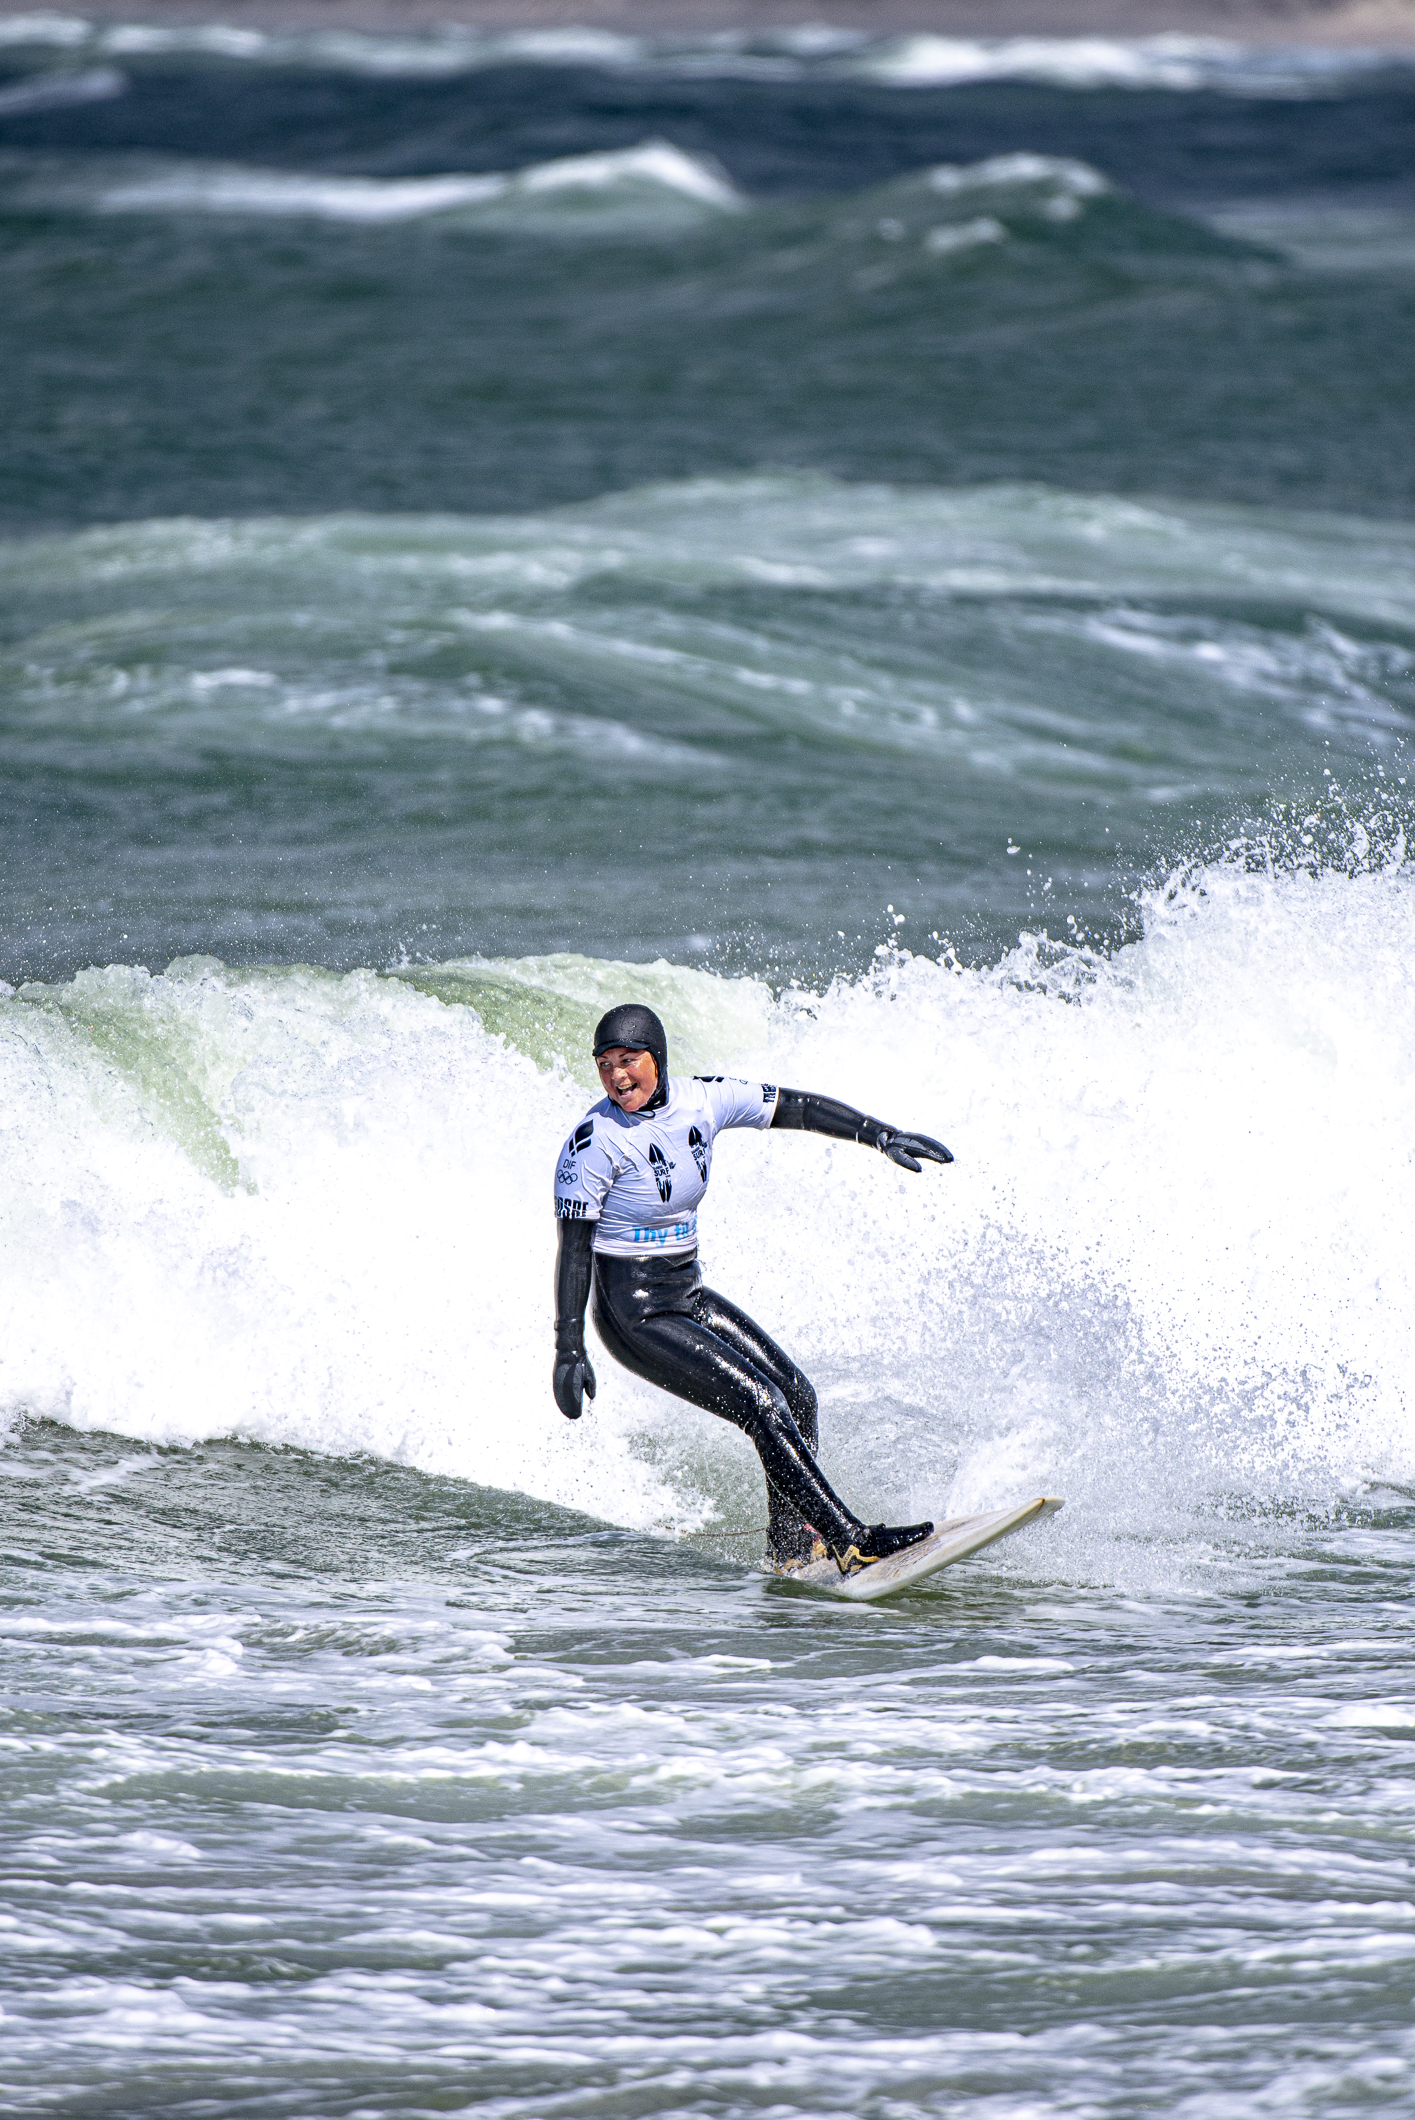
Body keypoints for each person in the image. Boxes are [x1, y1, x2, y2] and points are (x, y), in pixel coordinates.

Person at [552, 1002, 954, 1576]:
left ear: (657, 1058)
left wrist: (879, 1134)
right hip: (633, 1314)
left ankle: (789, 1548)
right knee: (761, 1403)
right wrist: (569, 1348)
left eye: (629, 1060)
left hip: (684, 1293)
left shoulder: (704, 1099)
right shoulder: (592, 1143)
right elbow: (573, 1251)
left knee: (796, 1395)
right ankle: (851, 1541)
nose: (617, 1076)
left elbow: (795, 1107)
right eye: (605, 1064)